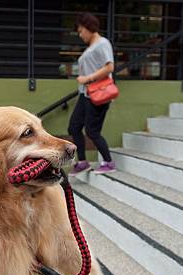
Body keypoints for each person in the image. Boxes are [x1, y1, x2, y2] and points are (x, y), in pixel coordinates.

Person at [68, 12, 116, 175]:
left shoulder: (102, 43)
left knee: (92, 131)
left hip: (97, 94)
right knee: (74, 127)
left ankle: (108, 162)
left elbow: (109, 67)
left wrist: (87, 78)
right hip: (85, 94)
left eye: (81, 31)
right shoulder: (91, 47)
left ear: (89, 28)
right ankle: (82, 162)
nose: (80, 35)